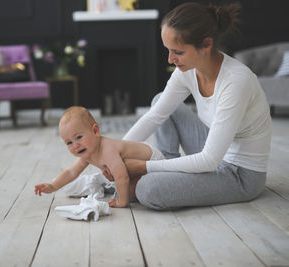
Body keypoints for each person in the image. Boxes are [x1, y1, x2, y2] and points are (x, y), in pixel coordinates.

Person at [108, 2, 271, 210]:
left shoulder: (236, 81)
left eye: (177, 52)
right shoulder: (186, 71)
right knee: (161, 101)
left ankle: (157, 174)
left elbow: (210, 160)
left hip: (239, 174)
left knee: (148, 189)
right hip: (214, 150)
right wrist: (114, 157)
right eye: (167, 50)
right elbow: (154, 117)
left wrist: (144, 167)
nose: (170, 59)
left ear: (206, 44)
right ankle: (165, 166)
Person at [34, 106, 164, 208]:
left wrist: (122, 202)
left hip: (153, 161)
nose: (76, 145)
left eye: (79, 137)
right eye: (69, 143)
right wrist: (53, 186)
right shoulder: (88, 153)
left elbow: (121, 176)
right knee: (123, 187)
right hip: (133, 171)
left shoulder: (107, 149)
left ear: (95, 131)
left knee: (126, 191)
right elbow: (71, 172)